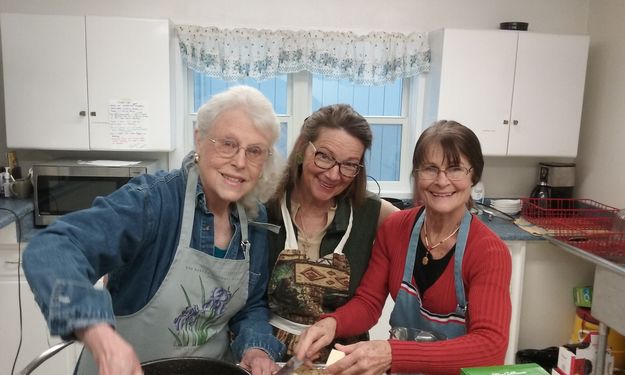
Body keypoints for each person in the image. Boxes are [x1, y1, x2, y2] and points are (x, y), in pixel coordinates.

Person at [22, 86, 286, 375]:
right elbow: (53, 248)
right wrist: (100, 337)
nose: (239, 162)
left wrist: (257, 347)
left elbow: (250, 307)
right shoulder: (152, 201)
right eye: (227, 143)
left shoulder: (255, 220)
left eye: (255, 151)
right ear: (199, 140)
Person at [295, 120, 513, 375]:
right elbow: (368, 302)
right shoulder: (396, 228)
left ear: (473, 175)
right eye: (430, 169)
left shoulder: (489, 252)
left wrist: (392, 353)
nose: (441, 181)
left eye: (455, 169)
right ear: (417, 174)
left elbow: (490, 348)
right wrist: (332, 323)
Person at [265, 104, 398, 362]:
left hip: (344, 358)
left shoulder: (371, 213)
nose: (334, 175)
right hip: (272, 354)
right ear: (303, 148)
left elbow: (425, 226)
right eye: (324, 156)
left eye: (349, 165)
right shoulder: (266, 207)